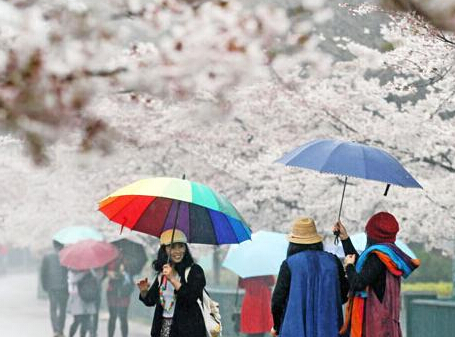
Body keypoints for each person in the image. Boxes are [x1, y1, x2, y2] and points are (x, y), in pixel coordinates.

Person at [333, 211, 420, 337]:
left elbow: (358, 283)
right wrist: (345, 238)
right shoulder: (390, 254)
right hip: (386, 324)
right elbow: (365, 269)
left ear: (373, 234)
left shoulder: (378, 257)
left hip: (375, 326)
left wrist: (349, 266)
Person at [271, 217, 349, 337]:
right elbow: (344, 295)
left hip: (294, 330)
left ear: (293, 243)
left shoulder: (289, 264)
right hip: (330, 329)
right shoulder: (333, 261)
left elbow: (278, 301)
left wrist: (276, 326)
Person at [136, 229, 206, 337]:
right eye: (172, 247)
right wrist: (144, 291)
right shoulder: (162, 274)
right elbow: (151, 301)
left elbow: (191, 298)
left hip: (188, 330)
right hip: (164, 327)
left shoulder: (194, 271)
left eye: (181, 246)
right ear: (164, 250)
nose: (178, 251)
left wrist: (173, 279)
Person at [40, 240, 69, 337]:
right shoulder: (66, 255)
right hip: (64, 286)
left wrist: (44, 286)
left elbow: (43, 272)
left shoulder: (47, 256)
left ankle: (55, 330)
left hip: (52, 286)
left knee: (53, 308)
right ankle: (60, 329)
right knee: (63, 309)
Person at [106, 256, 134, 337]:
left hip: (124, 292)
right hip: (113, 292)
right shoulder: (111, 258)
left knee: (123, 317)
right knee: (113, 317)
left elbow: (131, 274)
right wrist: (114, 273)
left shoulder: (129, 260)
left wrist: (124, 271)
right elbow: (107, 272)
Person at [67, 269, 98, 337]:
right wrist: (84, 273)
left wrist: (90, 270)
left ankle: (87, 334)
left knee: (86, 319)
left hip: (87, 296)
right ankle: (71, 335)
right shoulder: (72, 269)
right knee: (77, 320)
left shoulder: (90, 269)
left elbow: (96, 277)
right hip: (76, 298)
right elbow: (73, 280)